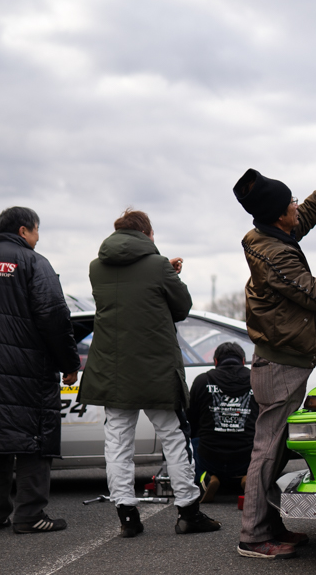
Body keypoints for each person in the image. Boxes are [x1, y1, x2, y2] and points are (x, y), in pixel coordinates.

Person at [233, 166, 316, 559]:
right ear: (278, 216)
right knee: (268, 450)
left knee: (275, 448)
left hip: (282, 360)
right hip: (280, 366)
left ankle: (270, 525)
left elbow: (301, 217)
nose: (295, 206)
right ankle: (254, 536)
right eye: (290, 202)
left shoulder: (268, 234)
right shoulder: (276, 254)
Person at [79, 208, 220, 538]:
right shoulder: (158, 265)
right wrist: (170, 272)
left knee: (117, 443)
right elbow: (181, 307)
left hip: (112, 369)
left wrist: (162, 270)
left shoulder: (96, 267)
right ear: (146, 234)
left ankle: (127, 516)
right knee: (173, 437)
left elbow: (129, 294)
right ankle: (188, 511)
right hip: (155, 368)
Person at [0, 206, 79, 533]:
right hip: (27, 371)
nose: (38, 237)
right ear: (24, 230)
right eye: (37, 230)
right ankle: (30, 515)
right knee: (34, 437)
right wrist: (69, 363)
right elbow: (54, 316)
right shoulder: (33, 263)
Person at [188, 341, 258, 501]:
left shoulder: (202, 381)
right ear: (243, 361)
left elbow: (190, 422)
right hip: (247, 458)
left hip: (210, 459)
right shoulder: (256, 381)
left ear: (216, 361)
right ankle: (250, 477)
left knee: (190, 440)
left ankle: (205, 477)